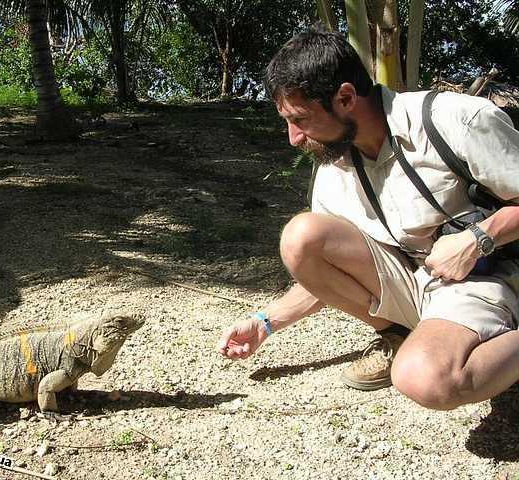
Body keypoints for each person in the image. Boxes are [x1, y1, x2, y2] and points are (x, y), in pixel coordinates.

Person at [217, 25, 519, 410]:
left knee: (425, 379)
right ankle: (399, 336)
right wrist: (266, 321)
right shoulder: (333, 165)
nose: (293, 138)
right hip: (414, 281)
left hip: (483, 277)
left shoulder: (454, 120)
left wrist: (480, 237)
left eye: (301, 119)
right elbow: (329, 274)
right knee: (300, 237)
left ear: (345, 97)